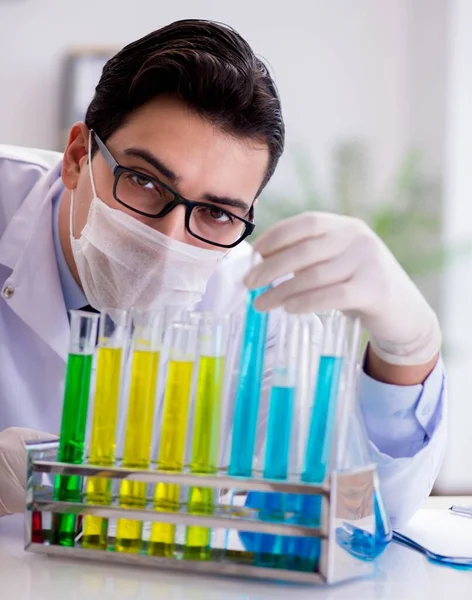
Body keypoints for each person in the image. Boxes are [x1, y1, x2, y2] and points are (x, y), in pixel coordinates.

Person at [0, 19, 445, 525]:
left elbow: (357, 511)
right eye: (144, 181)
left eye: (217, 212)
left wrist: (407, 352)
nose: (169, 241)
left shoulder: (252, 301)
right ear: (78, 156)